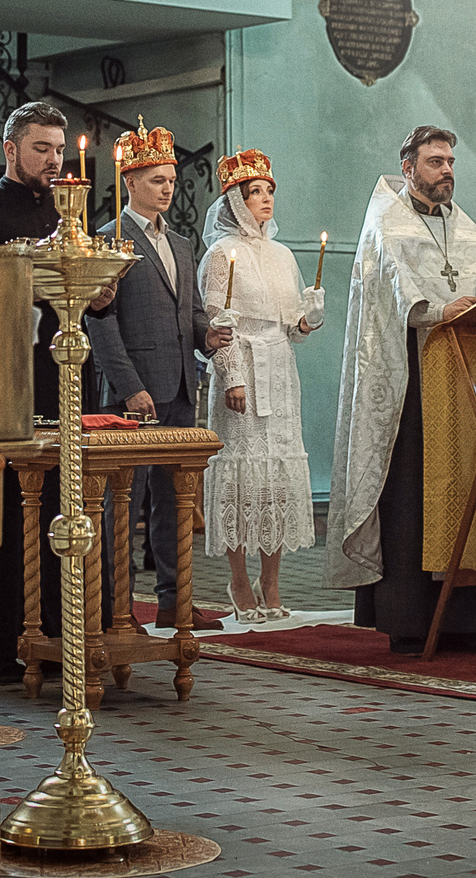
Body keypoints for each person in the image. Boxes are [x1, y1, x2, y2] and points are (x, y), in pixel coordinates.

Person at [321, 125, 476, 652]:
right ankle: (409, 622)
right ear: (408, 168)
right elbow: (393, 293)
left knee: (464, 490)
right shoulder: (387, 224)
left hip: (462, 381)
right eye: (436, 162)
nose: (447, 170)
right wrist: (437, 310)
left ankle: (464, 622)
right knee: (413, 495)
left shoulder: (464, 229)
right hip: (410, 381)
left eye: (450, 161)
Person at [0, 100, 116, 676]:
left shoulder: (73, 218)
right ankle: (13, 641)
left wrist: (100, 296)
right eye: (42, 149)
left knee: (69, 502)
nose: (55, 160)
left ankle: (70, 636)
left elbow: (93, 299)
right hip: (13, 380)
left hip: (70, 379)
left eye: (59, 149)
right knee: (19, 511)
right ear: (11, 150)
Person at [86, 124, 225, 630]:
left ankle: (174, 599)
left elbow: (191, 311)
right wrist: (129, 387)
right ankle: (117, 606)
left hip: (181, 386)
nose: (168, 188)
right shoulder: (107, 240)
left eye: (171, 179)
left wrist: (208, 335)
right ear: (130, 181)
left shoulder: (182, 244)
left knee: (175, 501)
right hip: (133, 394)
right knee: (123, 504)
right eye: (157, 180)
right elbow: (100, 323)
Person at [199, 148, 325, 623]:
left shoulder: (283, 254)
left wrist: (309, 317)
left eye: (270, 190)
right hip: (242, 371)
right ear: (236, 201)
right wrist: (231, 374)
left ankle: (270, 582)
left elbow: (293, 327)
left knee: (276, 479)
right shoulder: (220, 254)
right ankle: (238, 579)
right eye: (256, 192)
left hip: (280, 371)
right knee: (242, 476)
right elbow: (218, 321)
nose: (267, 198)